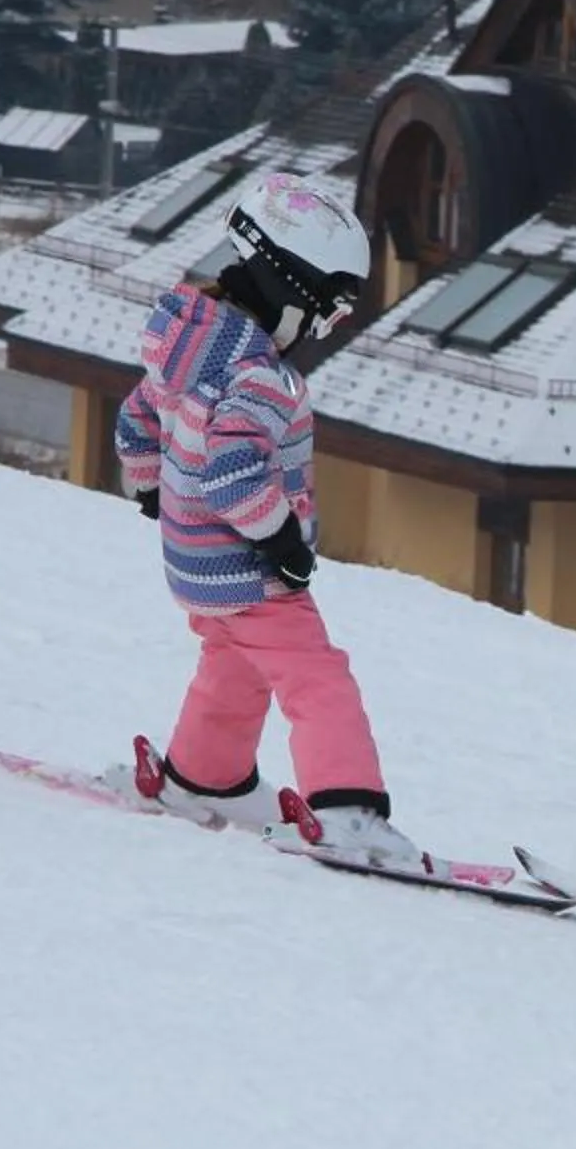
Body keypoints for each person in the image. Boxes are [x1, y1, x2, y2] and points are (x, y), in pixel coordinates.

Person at [112, 170, 419, 869]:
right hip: (250, 569)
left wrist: (154, 487)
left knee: (234, 664)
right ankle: (347, 809)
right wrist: (281, 541)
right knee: (317, 675)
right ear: (292, 287)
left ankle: (202, 778)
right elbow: (234, 473)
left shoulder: (185, 350)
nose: (329, 325)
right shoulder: (258, 378)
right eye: (332, 307)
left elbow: (137, 421)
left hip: (191, 567)